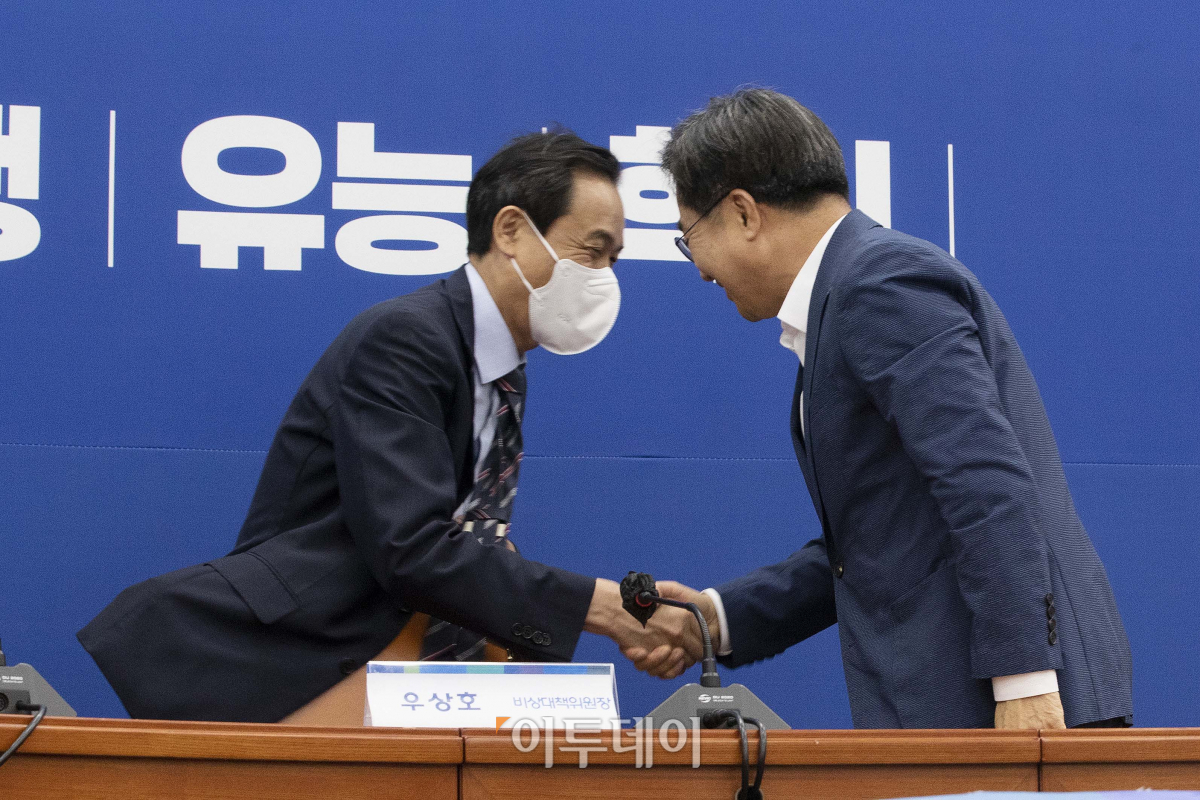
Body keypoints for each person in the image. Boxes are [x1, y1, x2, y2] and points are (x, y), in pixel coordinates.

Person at [78, 130, 694, 723]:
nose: (603, 276)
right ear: (510, 230)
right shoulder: (406, 340)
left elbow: (470, 542)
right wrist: (607, 608)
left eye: (613, 259)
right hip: (309, 658)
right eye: (592, 252)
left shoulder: (502, 371)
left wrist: (590, 619)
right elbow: (412, 549)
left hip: (405, 662)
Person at [627, 88, 1133, 729]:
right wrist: (716, 619)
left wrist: (1025, 682)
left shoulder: (877, 281)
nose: (699, 269)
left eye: (689, 238)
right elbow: (875, 545)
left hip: (1010, 709)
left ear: (744, 212)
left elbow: (985, 483)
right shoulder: (847, 293)